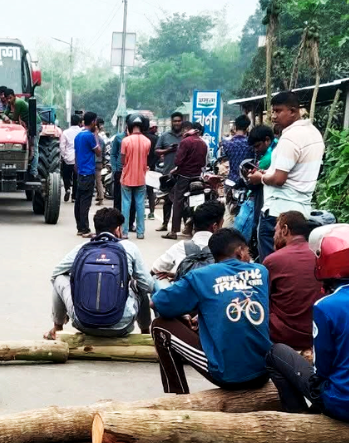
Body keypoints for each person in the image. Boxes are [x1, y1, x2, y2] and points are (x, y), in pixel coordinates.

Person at [266, 225, 349, 426]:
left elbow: (322, 369)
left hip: (344, 407)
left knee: (275, 353)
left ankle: (299, 419)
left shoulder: (326, 306)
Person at [150, 228, 273, 394]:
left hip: (228, 376)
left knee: (159, 325)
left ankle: (178, 397)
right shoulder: (261, 271)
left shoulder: (201, 276)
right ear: (240, 251)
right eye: (248, 251)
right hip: (265, 371)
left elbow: (156, 303)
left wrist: (184, 315)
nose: (249, 255)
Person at [46, 207, 156, 338]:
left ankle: (57, 329)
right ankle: (145, 333)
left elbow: (56, 272)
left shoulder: (83, 248)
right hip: (121, 324)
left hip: (83, 323)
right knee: (139, 284)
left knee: (59, 278)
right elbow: (148, 286)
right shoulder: (129, 247)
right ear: (118, 229)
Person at [248, 91, 323, 260]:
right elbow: (294, 172)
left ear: (293, 111)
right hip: (302, 212)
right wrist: (267, 173)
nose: (274, 116)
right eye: (273, 111)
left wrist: (259, 178)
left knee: (273, 264)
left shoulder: (290, 138)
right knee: (294, 261)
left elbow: (280, 179)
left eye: (278, 111)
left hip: (278, 213)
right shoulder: (314, 134)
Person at [263, 210, 322, 351]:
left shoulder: (273, 260)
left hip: (285, 336)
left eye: (275, 231)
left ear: (285, 230)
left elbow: (263, 299)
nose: (273, 236)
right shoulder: (320, 254)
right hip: (319, 332)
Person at [152, 200, 224, 281]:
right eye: (222, 224)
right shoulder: (226, 249)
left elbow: (155, 269)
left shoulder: (180, 247)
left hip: (185, 291)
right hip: (215, 291)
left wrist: (177, 275)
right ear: (215, 227)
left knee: (157, 278)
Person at [167, 122, 207, 240]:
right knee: (199, 204)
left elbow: (178, 162)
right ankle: (194, 228)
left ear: (187, 129)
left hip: (184, 177)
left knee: (177, 201)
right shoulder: (203, 143)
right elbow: (204, 163)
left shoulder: (185, 142)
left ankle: (174, 231)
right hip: (197, 177)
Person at [120, 116, 151, 239]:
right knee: (140, 205)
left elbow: (123, 160)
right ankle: (140, 232)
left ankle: (124, 232)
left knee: (126, 205)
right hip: (141, 177)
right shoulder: (147, 141)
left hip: (127, 177)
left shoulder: (125, 141)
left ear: (129, 126)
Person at [72, 112, 101, 237]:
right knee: (85, 202)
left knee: (79, 201)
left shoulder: (78, 136)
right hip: (88, 172)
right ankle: (85, 228)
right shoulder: (89, 136)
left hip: (80, 171)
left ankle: (80, 227)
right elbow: (98, 152)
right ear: (94, 122)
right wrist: (96, 136)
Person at [154, 112, 185, 230]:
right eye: (175, 121)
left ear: (182, 122)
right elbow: (156, 151)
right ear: (171, 122)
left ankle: (182, 225)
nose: (177, 123)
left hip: (182, 173)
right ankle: (165, 224)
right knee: (167, 200)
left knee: (182, 200)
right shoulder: (165, 136)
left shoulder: (185, 137)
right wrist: (168, 150)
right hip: (168, 172)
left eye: (179, 121)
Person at [220, 114, 253, 186]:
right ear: (247, 128)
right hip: (248, 180)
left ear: (235, 127)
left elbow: (222, 160)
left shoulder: (227, 144)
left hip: (232, 180)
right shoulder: (251, 144)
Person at [60, 113, 81, 202]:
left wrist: (64, 156)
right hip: (78, 159)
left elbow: (62, 146)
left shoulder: (65, 132)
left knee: (66, 176)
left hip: (68, 158)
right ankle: (74, 197)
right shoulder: (81, 132)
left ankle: (67, 188)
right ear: (79, 122)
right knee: (76, 178)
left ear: (71, 122)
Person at [145, 122, 160, 220]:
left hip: (141, 168)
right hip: (151, 168)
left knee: (140, 192)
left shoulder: (142, 137)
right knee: (150, 192)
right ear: (152, 128)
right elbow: (157, 154)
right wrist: (150, 165)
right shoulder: (156, 139)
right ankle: (151, 212)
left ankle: (141, 212)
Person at [95, 118, 108, 205]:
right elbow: (103, 153)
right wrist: (103, 162)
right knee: (98, 180)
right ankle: (99, 196)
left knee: (97, 181)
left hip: (93, 162)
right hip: (99, 162)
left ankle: (101, 198)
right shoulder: (102, 140)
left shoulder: (92, 139)